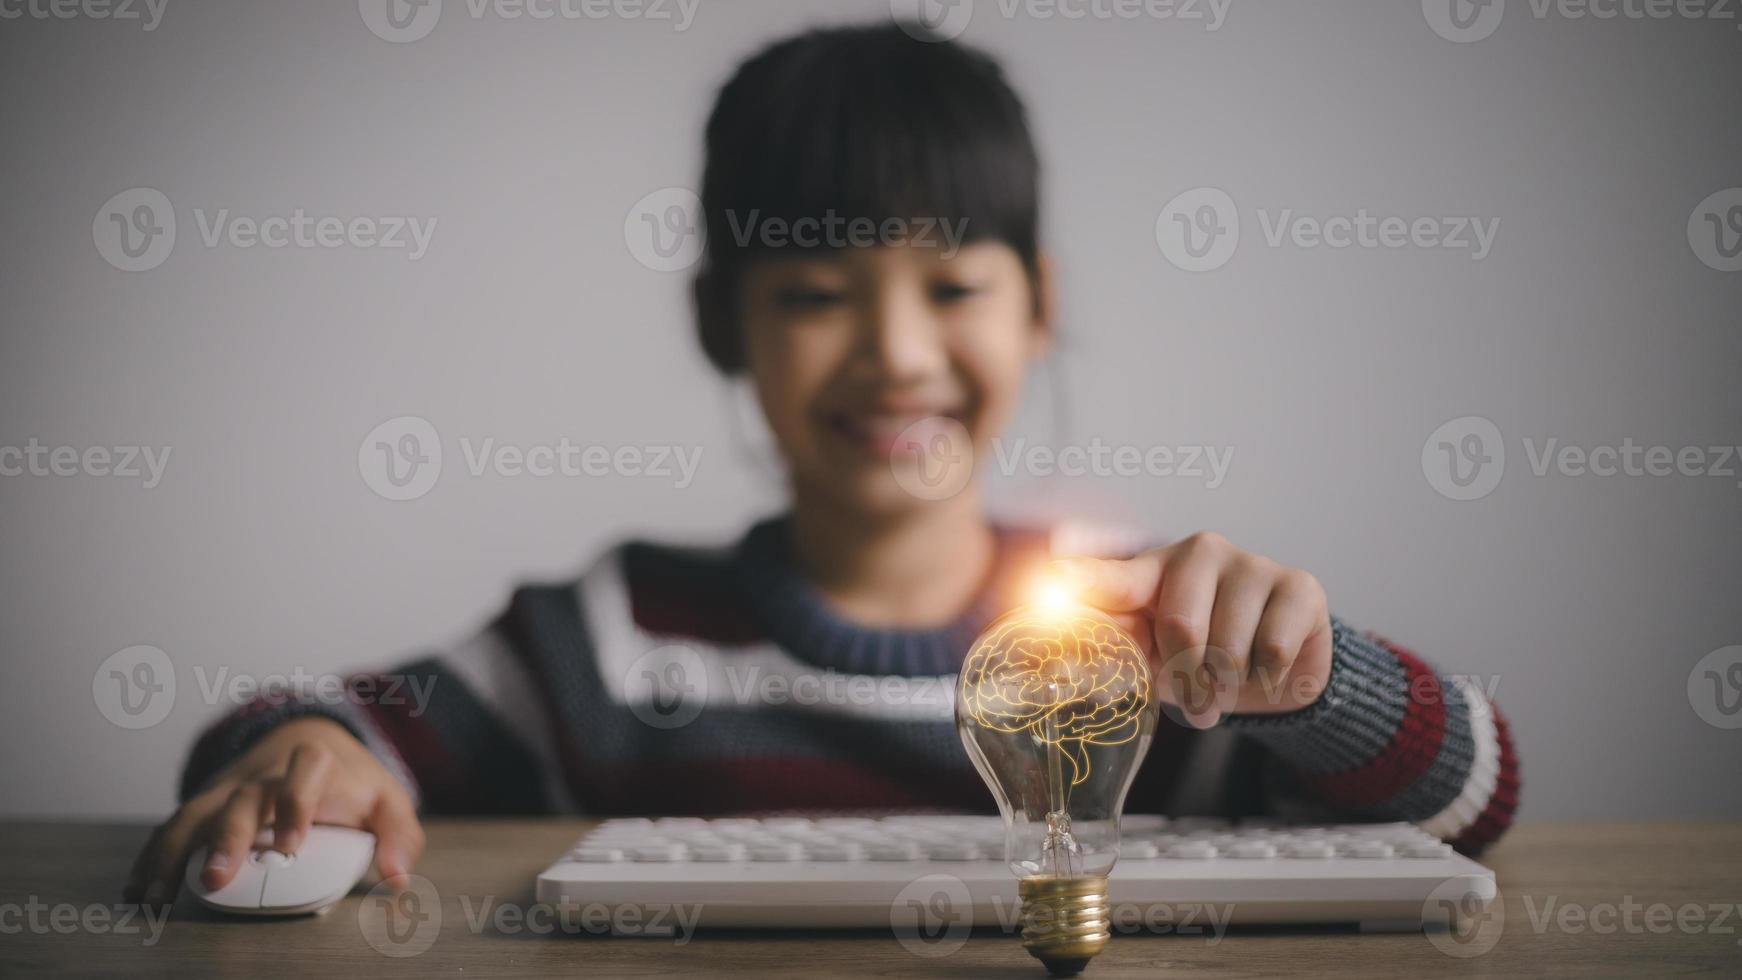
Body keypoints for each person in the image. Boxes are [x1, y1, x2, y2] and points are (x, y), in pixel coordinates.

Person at [124, 22, 1518, 907]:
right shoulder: (608, 639)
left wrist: (1306, 675)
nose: (894, 354)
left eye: (952, 287)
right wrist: (296, 754)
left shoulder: (1151, 647)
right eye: (811, 294)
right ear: (718, 323)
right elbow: (317, 728)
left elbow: (1472, 799)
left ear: (1037, 304)